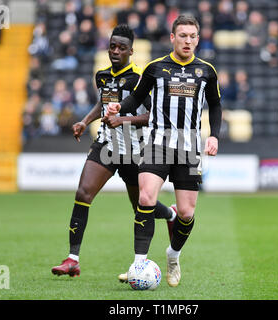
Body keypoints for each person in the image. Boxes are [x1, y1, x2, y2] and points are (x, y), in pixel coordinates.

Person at [51, 25, 175, 278]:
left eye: (121, 47)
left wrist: (123, 120)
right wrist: (85, 121)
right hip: (106, 145)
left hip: (135, 151)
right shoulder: (102, 76)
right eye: (112, 46)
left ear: (131, 51)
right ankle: (72, 259)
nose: (115, 51)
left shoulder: (140, 79)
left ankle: (171, 216)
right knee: (83, 193)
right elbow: (102, 102)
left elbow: (154, 116)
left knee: (141, 205)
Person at [106, 15, 222, 287]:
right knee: (145, 198)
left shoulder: (207, 71)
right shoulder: (155, 68)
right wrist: (118, 108)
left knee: (186, 213)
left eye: (193, 36)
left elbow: (215, 105)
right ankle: (139, 263)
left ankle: (173, 255)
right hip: (157, 143)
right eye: (183, 35)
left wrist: (214, 135)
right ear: (172, 37)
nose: (188, 41)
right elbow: (136, 97)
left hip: (189, 148)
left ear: (198, 38)